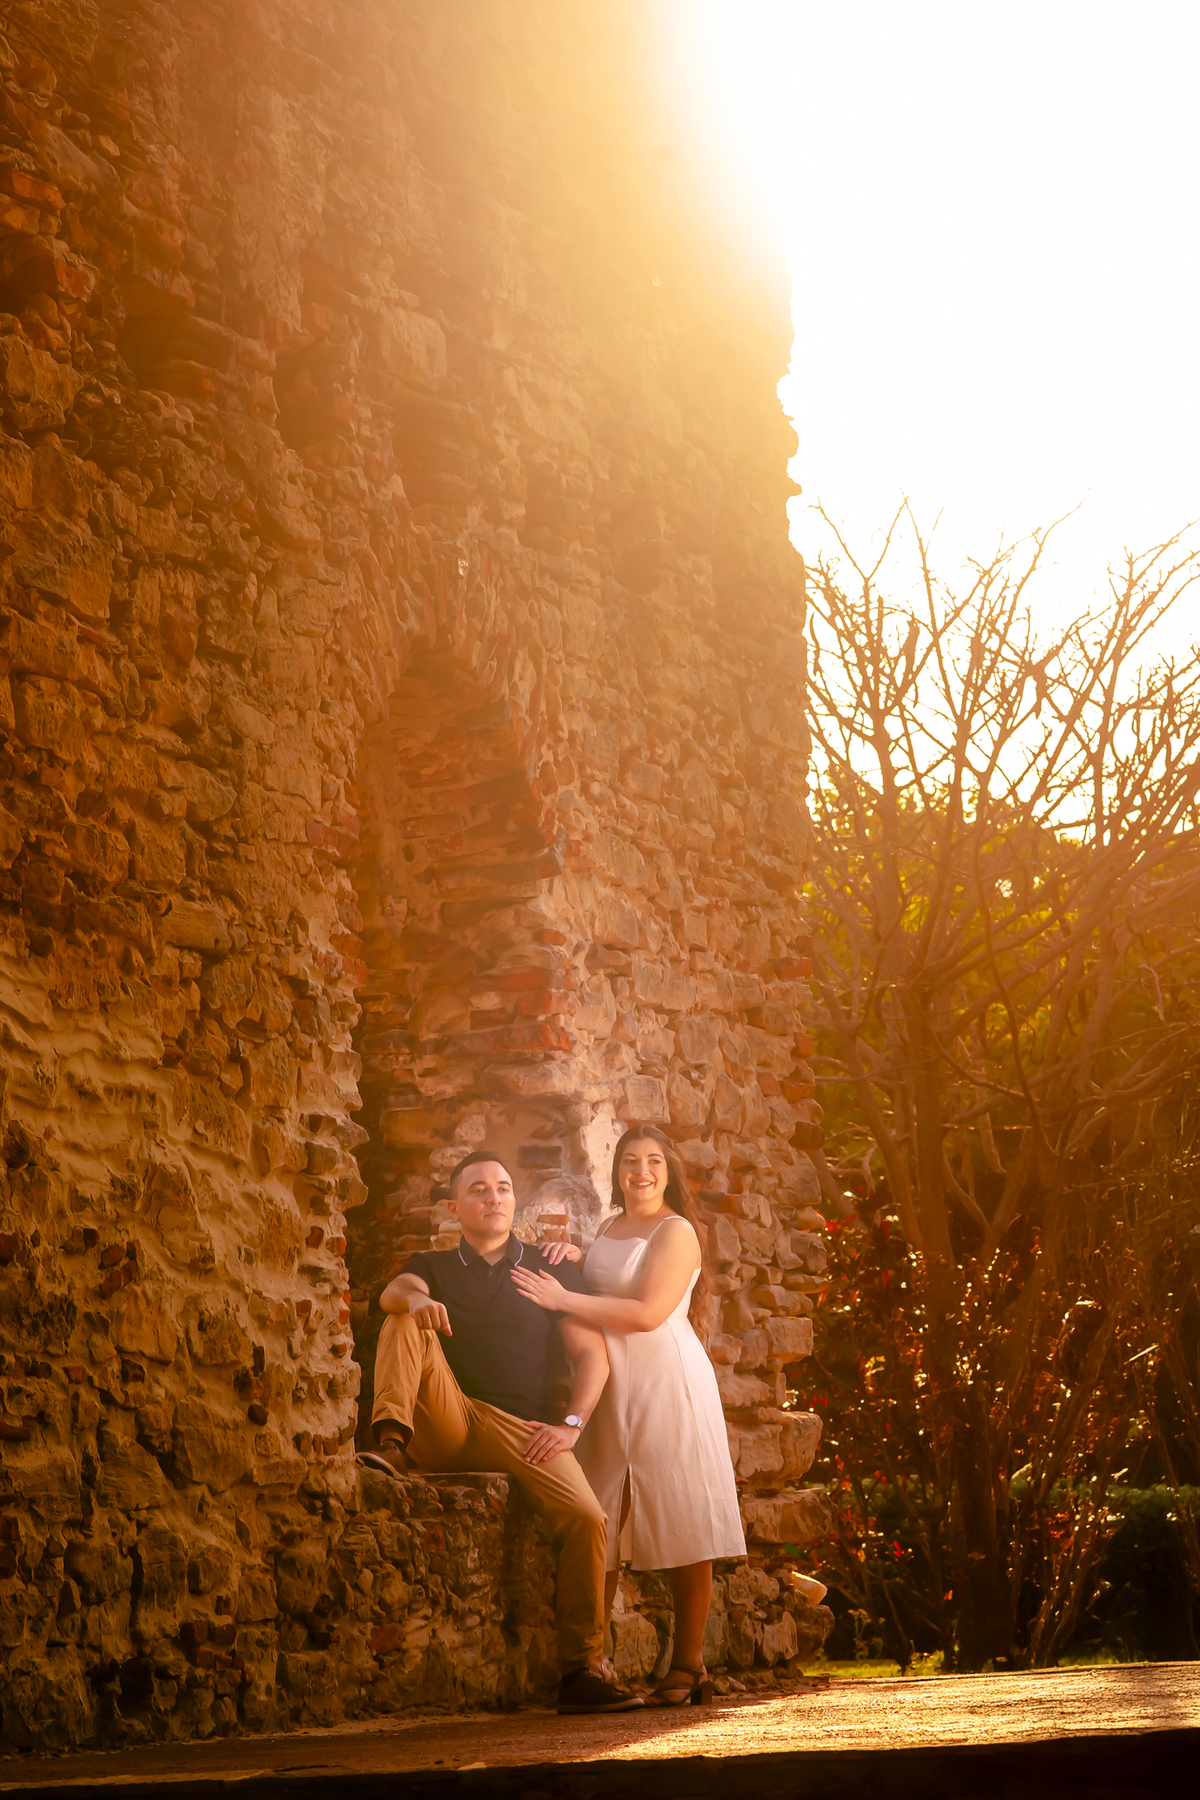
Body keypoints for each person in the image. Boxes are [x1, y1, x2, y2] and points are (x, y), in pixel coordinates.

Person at [360, 1149, 643, 1715]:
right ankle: (391, 1441)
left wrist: (570, 1425)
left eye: (504, 1188)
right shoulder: (433, 1264)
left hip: (524, 1429)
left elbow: (593, 1357)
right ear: (454, 1206)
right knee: (400, 1317)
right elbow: (393, 1293)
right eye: (479, 1190)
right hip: (449, 1416)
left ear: (516, 1201)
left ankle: (581, 1670)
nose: (494, 1197)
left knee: (588, 1517)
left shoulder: (549, 1266)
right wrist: (417, 1298)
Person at [511, 1124, 746, 1707]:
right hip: (610, 1386)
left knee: (679, 1514)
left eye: (653, 1163)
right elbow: (612, 1276)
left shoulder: (679, 1231)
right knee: (603, 1515)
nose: (640, 1172)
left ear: (669, 1173)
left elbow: (645, 1312)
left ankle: (689, 1665)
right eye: (630, 1161)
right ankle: (591, 1664)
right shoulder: (611, 1226)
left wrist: (562, 1297)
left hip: (666, 1381)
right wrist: (576, 1257)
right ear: (617, 1170)